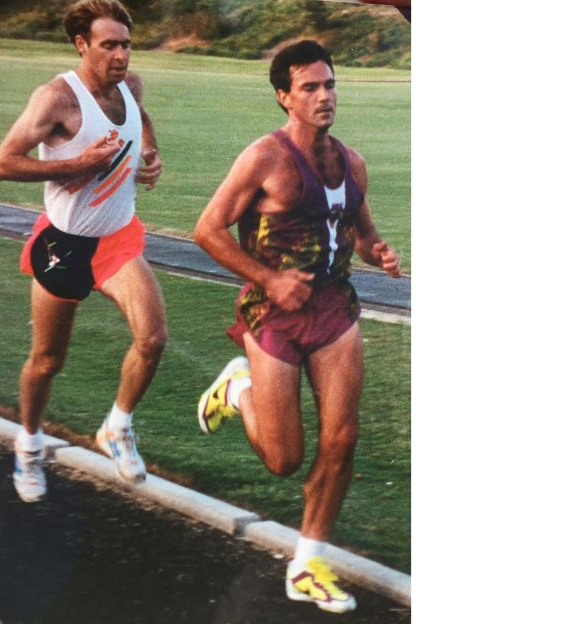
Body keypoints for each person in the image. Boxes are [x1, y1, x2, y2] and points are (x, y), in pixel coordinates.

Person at [193, 40, 402, 613]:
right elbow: (207, 230)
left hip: (335, 309)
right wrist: (269, 278)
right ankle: (239, 387)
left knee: (342, 438)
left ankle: (308, 563)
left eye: (330, 84)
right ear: (284, 97)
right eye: (309, 87)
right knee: (283, 459)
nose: (324, 96)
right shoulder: (265, 158)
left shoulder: (351, 162)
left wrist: (377, 251)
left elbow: (360, 235)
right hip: (275, 315)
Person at [0, 0, 166, 502]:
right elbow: (3, 163)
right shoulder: (56, 99)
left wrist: (149, 156)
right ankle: (28, 442)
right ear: (81, 45)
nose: (120, 55)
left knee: (152, 339)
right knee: (48, 359)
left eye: (126, 44)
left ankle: (117, 425)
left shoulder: (131, 88)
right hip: (64, 245)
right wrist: (76, 165)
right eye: (108, 45)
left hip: (117, 240)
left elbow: (142, 120)